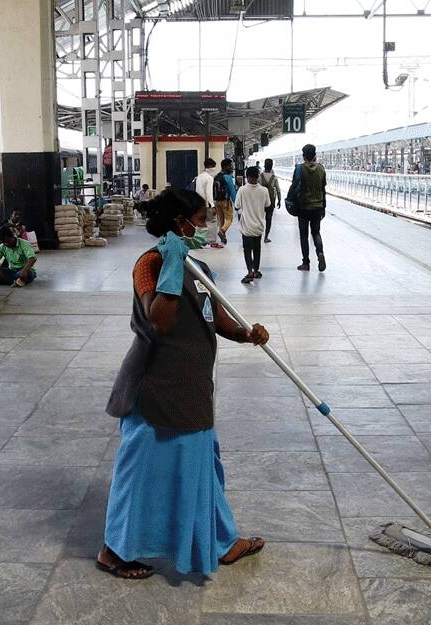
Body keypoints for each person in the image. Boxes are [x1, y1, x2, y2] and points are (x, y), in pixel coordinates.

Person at [99, 187, 269, 580]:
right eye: (199, 217)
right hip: (154, 389)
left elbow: (213, 316)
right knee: (139, 471)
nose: (205, 224)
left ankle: (221, 542)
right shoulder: (151, 265)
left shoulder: (199, 268)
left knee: (201, 465)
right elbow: (158, 320)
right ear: (180, 223)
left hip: (190, 386)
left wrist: (246, 334)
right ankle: (113, 550)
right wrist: (172, 264)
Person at [289, 144, 327, 272]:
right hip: (318, 206)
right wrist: (323, 207)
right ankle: (320, 253)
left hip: (303, 207)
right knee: (316, 232)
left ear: (303, 156)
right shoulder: (321, 169)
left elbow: (294, 186)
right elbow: (323, 189)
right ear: (315, 155)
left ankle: (306, 263)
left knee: (304, 235)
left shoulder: (299, 168)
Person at [235, 166, 271, 284]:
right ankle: (256, 271)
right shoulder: (264, 190)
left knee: (247, 250)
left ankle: (249, 271)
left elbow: (237, 206)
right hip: (259, 225)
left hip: (247, 226)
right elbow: (267, 204)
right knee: (257, 249)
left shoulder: (242, 190)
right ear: (258, 176)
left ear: (247, 176)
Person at [195, 158, 223, 249]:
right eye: (214, 166)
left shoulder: (199, 176)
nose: (214, 168)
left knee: (201, 223)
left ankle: (200, 241)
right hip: (207, 205)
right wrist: (212, 205)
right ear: (210, 167)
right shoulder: (209, 178)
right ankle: (212, 241)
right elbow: (209, 193)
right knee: (212, 222)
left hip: (199, 204)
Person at [214, 159, 238, 245]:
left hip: (217, 201)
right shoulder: (228, 177)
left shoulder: (216, 176)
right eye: (230, 165)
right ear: (225, 166)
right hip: (225, 202)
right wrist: (236, 202)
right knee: (229, 219)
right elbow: (232, 191)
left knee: (221, 220)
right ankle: (222, 231)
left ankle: (223, 238)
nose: (232, 167)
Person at [258, 159, 282, 243]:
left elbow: (256, 188)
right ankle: (266, 237)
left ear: (264, 165)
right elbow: (278, 190)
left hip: (261, 200)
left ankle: (258, 235)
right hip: (271, 200)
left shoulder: (260, 176)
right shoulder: (274, 177)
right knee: (269, 218)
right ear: (272, 166)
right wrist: (279, 200)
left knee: (259, 218)